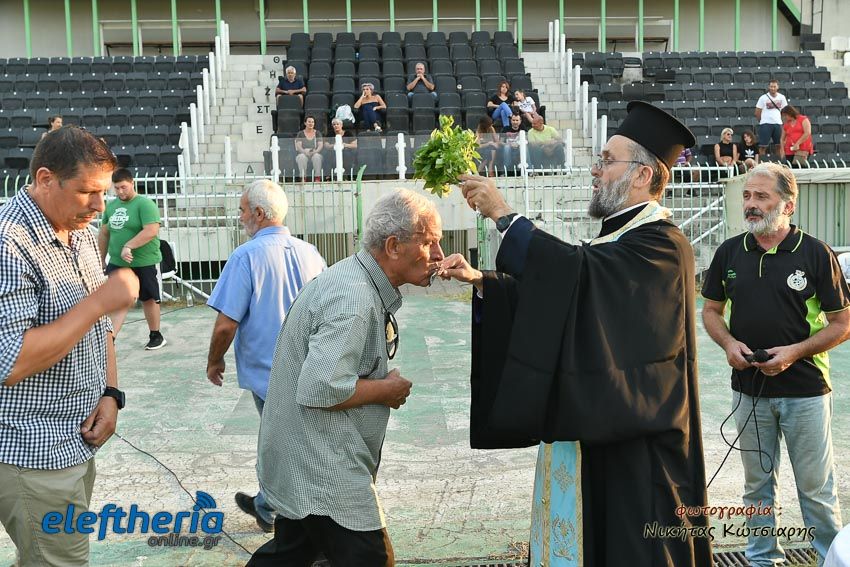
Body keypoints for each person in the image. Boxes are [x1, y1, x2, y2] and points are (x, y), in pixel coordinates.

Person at [441, 101, 712, 567]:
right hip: (598, 433)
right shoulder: (621, 241)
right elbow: (573, 291)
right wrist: (484, 282)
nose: (595, 170)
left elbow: (579, 276)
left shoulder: (663, 245)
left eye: (607, 161)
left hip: (636, 452)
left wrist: (504, 215)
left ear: (643, 175)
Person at [249, 189, 445, 566]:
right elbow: (320, 386)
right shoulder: (354, 298)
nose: (438, 255)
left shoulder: (355, 279)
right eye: (429, 243)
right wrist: (386, 390)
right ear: (393, 246)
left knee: (292, 553)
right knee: (372, 559)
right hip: (323, 464)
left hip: (305, 453)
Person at [0, 126, 138, 566]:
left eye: (103, 192)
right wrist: (100, 301)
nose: (100, 205)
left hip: (74, 438)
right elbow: (11, 361)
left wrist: (111, 393)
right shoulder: (9, 243)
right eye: (87, 192)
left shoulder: (77, 230)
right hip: (32, 449)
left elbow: (99, 326)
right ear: (45, 179)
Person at [702, 162, 850, 567]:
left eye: (762, 196)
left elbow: (843, 324)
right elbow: (711, 311)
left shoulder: (816, 253)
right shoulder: (730, 251)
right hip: (748, 391)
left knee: (816, 489)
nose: (751, 204)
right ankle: (762, 559)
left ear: (788, 204)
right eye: (748, 195)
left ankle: (831, 559)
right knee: (757, 486)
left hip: (806, 390)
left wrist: (794, 353)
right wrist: (729, 343)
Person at [206, 179, 326, 533]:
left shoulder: (246, 257)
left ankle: (280, 511)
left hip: (269, 374)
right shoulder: (310, 253)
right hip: (310, 366)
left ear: (259, 214)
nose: (240, 216)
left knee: (281, 444)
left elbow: (225, 325)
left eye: (243, 210)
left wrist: (215, 360)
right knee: (296, 439)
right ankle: (267, 502)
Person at [98, 168, 166, 349]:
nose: (120, 192)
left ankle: (156, 334)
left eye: (124, 187)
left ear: (132, 183)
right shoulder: (111, 206)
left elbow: (151, 230)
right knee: (118, 301)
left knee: (148, 298)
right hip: (118, 263)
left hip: (144, 262)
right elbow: (104, 233)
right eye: (116, 188)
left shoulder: (145, 204)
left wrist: (129, 246)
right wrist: (101, 258)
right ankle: (110, 339)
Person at [755, 79, 788, 158]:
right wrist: (762, 121)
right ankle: (761, 162)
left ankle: (779, 162)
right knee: (763, 146)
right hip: (766, 124)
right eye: (771, 86)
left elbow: (785, 111)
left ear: (777, 87)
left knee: (779, 146)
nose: (773, 88)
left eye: (774, 86)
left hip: (778, 124)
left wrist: (784, 122)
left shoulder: (782, 97)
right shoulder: (763, 98)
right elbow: (757, 112)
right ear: (768, 87)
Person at [295, 115, 324, 182]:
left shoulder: (317, 133)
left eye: (312, 122)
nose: (311, 123)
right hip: (303, 152)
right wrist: (304, 152)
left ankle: (317, 177)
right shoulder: (300, 133)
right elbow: (298, 146)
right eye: (309, 122)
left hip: (315, 152)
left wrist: (315, 151)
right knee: (301, 157)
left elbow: (320, 145)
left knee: (317, 157)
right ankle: (303, 177)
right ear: (305, 123)